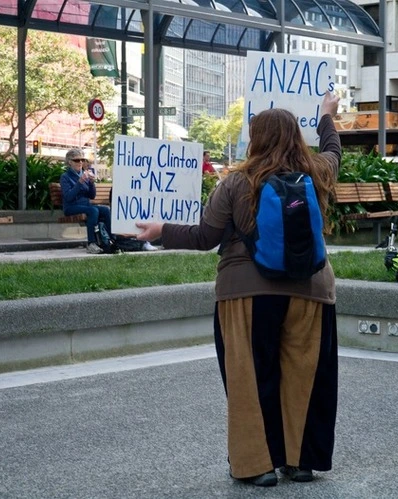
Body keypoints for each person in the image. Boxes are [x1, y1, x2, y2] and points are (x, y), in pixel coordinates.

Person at [136, 92, 341, 488]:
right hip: (312, 291)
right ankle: (300, 461)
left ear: (254, 138)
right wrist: (326, 117)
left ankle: (256, 465)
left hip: (245, 292)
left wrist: (162, 232)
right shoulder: (317, 173)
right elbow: (334, 150)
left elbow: (204, 236)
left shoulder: (235, 183)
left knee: (249, 378)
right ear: (296, 136)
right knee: (304, 375)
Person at [61, 148, 112, 254]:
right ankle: (91, 243)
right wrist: (80, 182)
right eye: (77, 160)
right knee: (93, 211)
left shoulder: (84, 174)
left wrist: (91, 183)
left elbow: (92, 196)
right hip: (71, 207)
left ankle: (110, 239)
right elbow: (68, 197)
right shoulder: (65, 177)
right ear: (70, 162)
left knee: (106, 209)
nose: (80, 162)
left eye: (82, 160)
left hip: (86, 206)